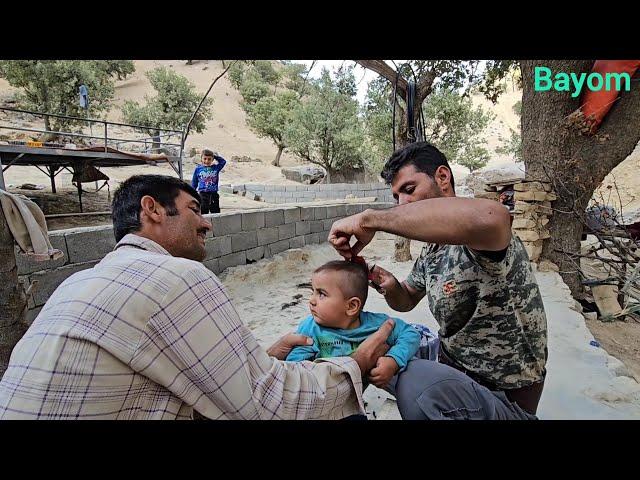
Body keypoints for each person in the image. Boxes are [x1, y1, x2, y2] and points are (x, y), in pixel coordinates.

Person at [0, 174, 393, 420]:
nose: (207, 222)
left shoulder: (77, 281)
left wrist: (260, 358)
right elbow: (270, 405)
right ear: (151, 210)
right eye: (194, 209)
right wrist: (356, 363)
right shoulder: (177, 275)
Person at [328, 141, 548, 420]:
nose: (402, 204)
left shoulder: (478, 237)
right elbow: (406, 299)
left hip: (502, 396)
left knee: (415, 384)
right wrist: (388, 282)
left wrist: (371, 219)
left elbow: (495, 218)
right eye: (396, 197)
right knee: (368, 346)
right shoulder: (433, 248)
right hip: (452, 366)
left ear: (443, 177)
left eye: (409, 190)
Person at [286, 260, 420, 391]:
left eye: (321, 294)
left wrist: (393, 360)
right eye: (312, 292)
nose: (311, 301)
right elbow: (293, 371)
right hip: (326, 398)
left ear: (351, 306)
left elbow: (410, 334)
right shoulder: (310, 329)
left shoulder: (377, 325)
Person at [191, 148, 226, 214]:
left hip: (214, 194)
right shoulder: (198, 169)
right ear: (201, 159)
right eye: (205, 159)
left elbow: (223, 161)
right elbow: (194, 182)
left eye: (209, 159)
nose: (207, 161)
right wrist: (192, 193)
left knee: (216, 212)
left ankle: (215, 224)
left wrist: (214, 156)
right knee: (203, 211)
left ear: (212, 159)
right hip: (203, 194)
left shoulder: (216, 168)